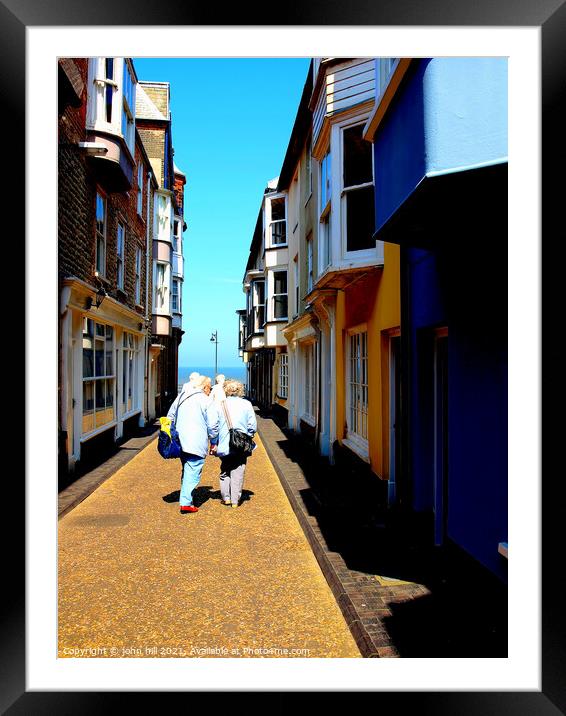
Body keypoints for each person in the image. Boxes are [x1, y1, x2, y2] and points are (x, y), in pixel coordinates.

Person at [167, 374, 218, 514]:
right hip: (196, 441)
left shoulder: (182, 396)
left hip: (180, 441)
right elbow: (213, 425)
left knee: (187, 467)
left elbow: (170, 416)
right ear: (205, 387)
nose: (210, 390)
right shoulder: (206, 401)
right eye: (210, 387)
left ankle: (185, 495)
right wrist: (214, 441)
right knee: (194, 468)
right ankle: (186, 503)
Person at [211, 379, 257, 508]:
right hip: (241, 444)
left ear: (226, 390)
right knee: (238, 470)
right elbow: (252, 425)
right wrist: (249, 436)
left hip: (224, 443)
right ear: (239, 390)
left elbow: (213, 426)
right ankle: (235, 500)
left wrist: (214, 442)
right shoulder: (246, 404)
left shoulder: (219, 405)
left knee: (225, 469)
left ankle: (226, 497)